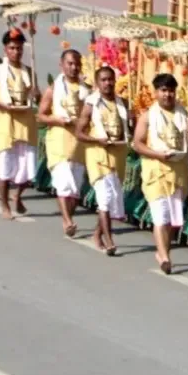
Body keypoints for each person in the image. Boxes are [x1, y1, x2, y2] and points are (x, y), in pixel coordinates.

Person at [133, 73, 188, 274]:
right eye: (163, 91)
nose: (168, 95)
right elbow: (138, 144)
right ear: (156, 93)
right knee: (161, 217)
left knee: (174, 221)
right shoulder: (148, 116)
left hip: (178, 173)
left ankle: (162, 252)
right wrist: (157, 154)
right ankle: (165, 256)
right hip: (156, 172)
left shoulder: (183, 113)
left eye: (171, 91)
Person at [74, 66, 130, 255]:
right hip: (98, 157)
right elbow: (80, 133)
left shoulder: (123, 104)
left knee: (112, 201)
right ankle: (109, 239)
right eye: (104, 80)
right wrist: (97, 140)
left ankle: (97, 234)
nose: (108, 83)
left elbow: (129, 129)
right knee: (104, 200)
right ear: (97, 84)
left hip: (117, 157)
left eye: (110, 79)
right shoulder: (91, 104)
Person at [0, 29, 37, 220]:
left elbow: (35, 95)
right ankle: (5, 204)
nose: (16, 52)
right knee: (5, 170)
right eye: (12, 48)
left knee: (29, 171)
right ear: (6, 49)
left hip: (24, 125)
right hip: (5, 126)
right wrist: (1, 104)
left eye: (19, 48)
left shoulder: (28, 71)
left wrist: (35, 94)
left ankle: (18, 195)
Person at [37, 49, 89, 237]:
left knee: (75, 189)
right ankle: (67, 220)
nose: (74, 67)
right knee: (62, 184)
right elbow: (41, 116)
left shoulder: (86, 91)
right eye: (70, 63)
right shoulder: (54, 89)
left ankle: (69, 216)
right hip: (59, 142)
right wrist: (59, 120)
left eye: (77, 64)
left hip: (79, 145)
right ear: (61, 65)